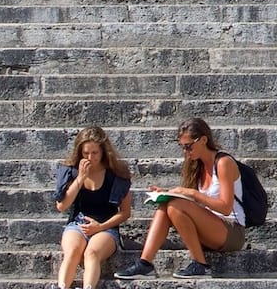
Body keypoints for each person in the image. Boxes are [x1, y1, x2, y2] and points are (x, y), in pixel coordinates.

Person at [114, 118, 246, 279]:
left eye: (189, 146)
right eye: (182, 147)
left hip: (232, 231)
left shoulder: (223, 163)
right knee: (166, 204)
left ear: (203, 140)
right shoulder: (196, 165)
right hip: (209, 226)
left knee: (175, 205)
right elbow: (193, 203)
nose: (186, 151)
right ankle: (145, 263)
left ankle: (201, 265)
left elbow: (225, 207)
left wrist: (193, 193)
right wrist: (168, 192)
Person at [52, 126, 133, 289]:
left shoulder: (116, 175)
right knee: (73, 251)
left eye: (94, 153)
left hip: (106, 227)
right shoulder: (71, 172)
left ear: (103, 151)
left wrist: (100, 227)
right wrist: (80, 178)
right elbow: (61, 206)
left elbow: (125, 213)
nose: (90, 157)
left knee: (92, 253)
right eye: (86, 153)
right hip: (77, 224)